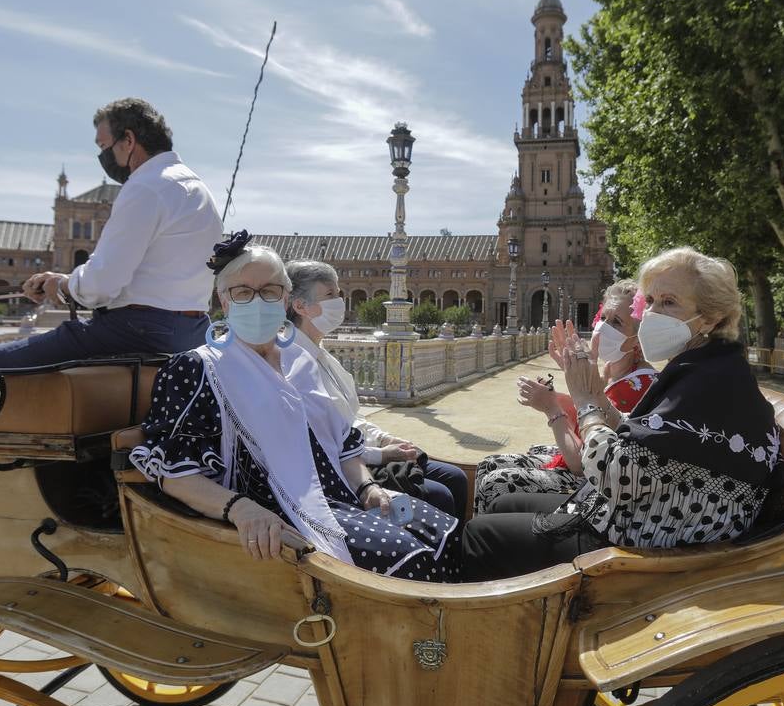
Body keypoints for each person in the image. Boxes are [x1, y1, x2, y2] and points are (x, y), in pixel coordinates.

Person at [128, 233, 459, 580]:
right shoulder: (197, 368)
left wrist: (368, 488)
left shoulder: (299, 360)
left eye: (269, 291)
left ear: (284, 298)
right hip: (277, 514)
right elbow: (172, 471)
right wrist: (240, 509)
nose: (257, 301)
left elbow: (344, 446)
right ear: (224, 302)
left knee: (440, 529)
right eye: (243, 292)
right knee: (412, 558)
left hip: (340, 498)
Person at [460, 247, 783, 581]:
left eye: (669, 302)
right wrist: (597, 395)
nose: (653, 314)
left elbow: (612, 474)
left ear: (710, 318)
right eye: (652, 301)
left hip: (649, 541)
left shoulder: (706, 381)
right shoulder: (708, 368)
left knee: (480, 535)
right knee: (501, 505)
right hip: (643, 515)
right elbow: (644, 438)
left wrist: (586, 402)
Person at [0, 98, 222, 368]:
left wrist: (62, 286)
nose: (104, 156)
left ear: (128, 140)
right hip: (193, 332)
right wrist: (67, 280)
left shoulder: (146, 186)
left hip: (137, 330)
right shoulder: (200, 190)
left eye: (103, 146)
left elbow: (102, 285)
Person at [285, 260, 469, 520]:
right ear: (299, 305)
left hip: (363, 452)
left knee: (456, 477)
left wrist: (384, 438)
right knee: (441, 493)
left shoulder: (323, 355)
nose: (339, 301)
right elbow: (324, 443)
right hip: (341, 470)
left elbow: (351, 418)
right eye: (329, 294)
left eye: (338, 293)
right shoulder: (292, 361)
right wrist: (381, 454)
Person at [473, 279, 656, 513]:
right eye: (603, 318)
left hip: (594, 489)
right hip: (589, 473)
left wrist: (552, 409)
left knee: (495, 482)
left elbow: (581, 463)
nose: (603, 327)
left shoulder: (636, 387)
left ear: (639, 337)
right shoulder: (615, 374)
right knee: (488, 464)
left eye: (617, 322)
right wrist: (566, 391)